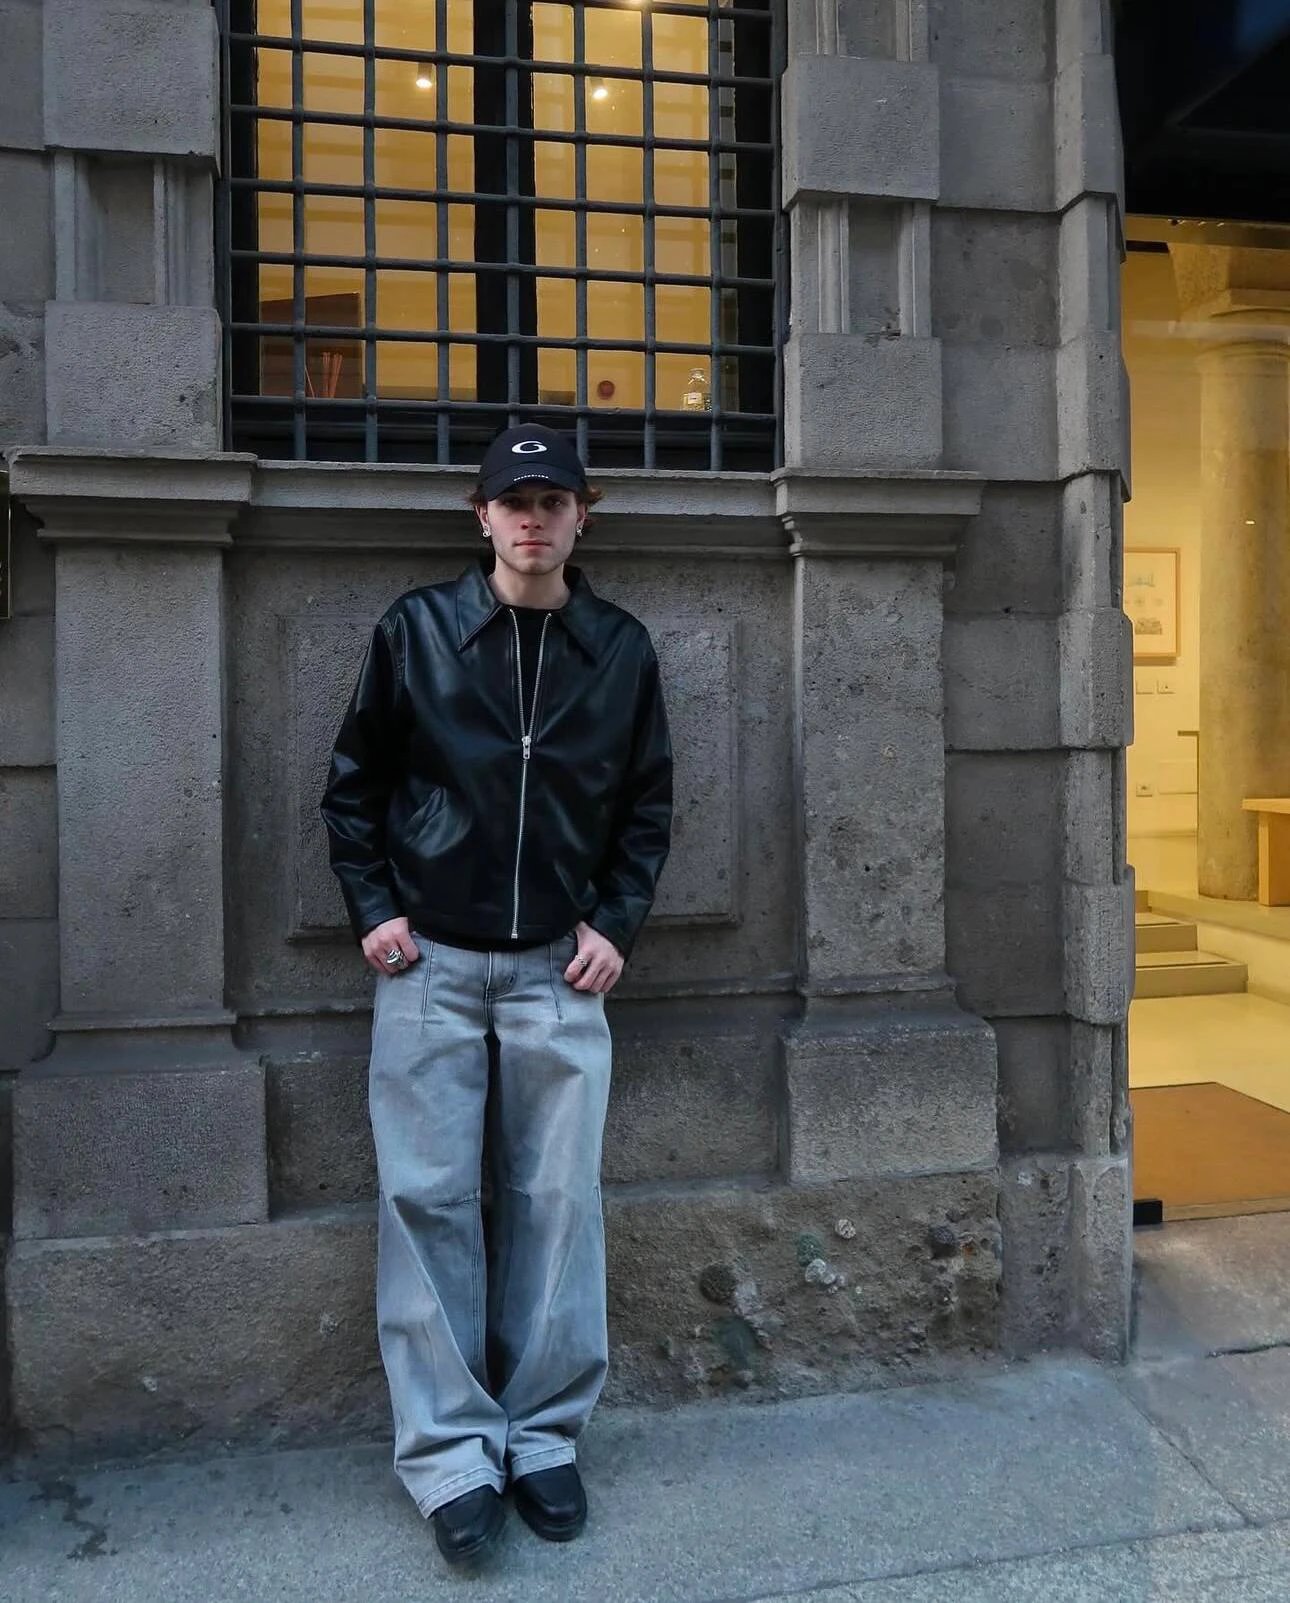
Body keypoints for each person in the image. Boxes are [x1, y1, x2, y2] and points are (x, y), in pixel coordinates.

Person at [319, 422, 673, 1566]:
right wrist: (374, 906)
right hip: (427, 962)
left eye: (553, 500)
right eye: (514, 501)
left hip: (557, 969)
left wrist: (616, 921)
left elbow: (648, 804)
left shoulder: (619, 648)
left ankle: (544, 1437)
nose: (533, 519)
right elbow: (355, 784)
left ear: (582, 516)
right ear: (481, 516)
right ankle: (451, 1455)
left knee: (558, 1202)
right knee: (426, 1202)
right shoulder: (417, 630)